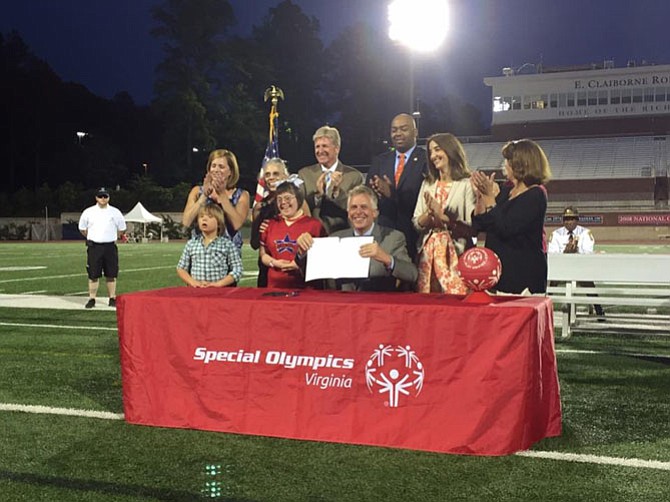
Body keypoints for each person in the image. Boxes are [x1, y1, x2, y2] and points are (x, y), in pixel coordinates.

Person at [298, 185, 418, 292]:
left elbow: (412, 274)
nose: (358, 212)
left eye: (364, 207)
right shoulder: (335, 238)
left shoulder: (393, 238)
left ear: (375, 213)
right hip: (340, 307)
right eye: (354, 207)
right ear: (348, 212)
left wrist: (387, 259)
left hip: (377, 308)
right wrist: (303, 252)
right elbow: (309, 273)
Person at [471, 139, 552, 294]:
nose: (505, 164)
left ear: (521, 163)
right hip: (498, 274)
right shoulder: (506, 191)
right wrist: (481, 198)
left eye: (508, 160)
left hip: (522, 276)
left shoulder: (535, 194)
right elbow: (480, 225)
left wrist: (490, 199)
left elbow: (506, 227)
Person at [412, 133, 476, 294]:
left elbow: (471, 226)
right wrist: (429, 215)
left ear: (450, 150)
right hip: (427, 254)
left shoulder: (466, 184)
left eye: (437, 150)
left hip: (456, 253)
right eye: (430, 152)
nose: (433, 156)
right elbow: (416, 222)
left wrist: (444, 218)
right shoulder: (427, 184)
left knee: (455, 303)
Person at [368, 113, 427, 261]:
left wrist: (392, 194)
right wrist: (376, 193)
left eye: (403, 129)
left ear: (416, 132)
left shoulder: (426, 160)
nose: (398, 134)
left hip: (413, 236)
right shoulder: (379, 161)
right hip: (383, 234)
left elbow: (423, 198)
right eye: (394, 130)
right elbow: (368, 194)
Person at [250, 158, 310, 287]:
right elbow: (254, 244)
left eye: (276, 174)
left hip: (296, 266)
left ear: (285, 175)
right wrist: (262, 232)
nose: (271, 178)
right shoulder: (260, 207)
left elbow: (310, 228)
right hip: (268, 269)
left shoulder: (299, 203)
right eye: (267, 174)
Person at [260, 179, 326, 289]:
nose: (283, 203)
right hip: (275, 287)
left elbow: (324, 257)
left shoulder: (314, 225)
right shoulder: (269, 224)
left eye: (288, 198)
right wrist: (274, 263)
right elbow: (263, 254)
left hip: (306, 288)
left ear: (298, 199)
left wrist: (300, 264)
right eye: (279, 199)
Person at [298, 125, 364, 234]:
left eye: (324, 146)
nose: (320, 151)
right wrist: (318, 196)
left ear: (337, 148)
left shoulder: (354, 176)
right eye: (317, 147)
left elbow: (357, 209)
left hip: (344, 233)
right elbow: (300, 208)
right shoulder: (305, 174)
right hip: (313, 236)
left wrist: (337, 194)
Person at [182, 149, 250, 253]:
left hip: (228, 256)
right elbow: (186, 221)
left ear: (230, 172)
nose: (216, 170)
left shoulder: (242, 195)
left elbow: (237, 224)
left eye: (221, 167)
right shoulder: (197, 191)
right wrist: (204, 196)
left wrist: (222, 195)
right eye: (213, 166)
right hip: (200, 256)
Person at [548, 206, 604, 316]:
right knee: (552, 284)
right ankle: (546, 309)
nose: (569, 222)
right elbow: (552, 253)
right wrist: (565, 252)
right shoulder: (556, 234)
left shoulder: (585, 233)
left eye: (572, 219)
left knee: (588, 284)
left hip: (579, 269)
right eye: (566, 219)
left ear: (577, 220)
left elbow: (588, 252)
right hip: (561, 269)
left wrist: (576, 250)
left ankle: (599, 311)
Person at [78, 187, 127, 308]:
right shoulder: (88, 212)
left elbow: (122, 228)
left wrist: (112, 236)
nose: (103, 199)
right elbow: (82, 228)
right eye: (100, 196)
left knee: (111, 274)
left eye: (105, 196)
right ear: (96, 198)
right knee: (93, 274)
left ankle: (112, 298)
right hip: (95, 246)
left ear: (109, 197)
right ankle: (92, 299)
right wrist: (92, 236)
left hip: (110, 246)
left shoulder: (115, 212)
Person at [176, 204, 243, 287]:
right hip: (196, 291)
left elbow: (238, 269)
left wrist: (218, 284)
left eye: (210, 217)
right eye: (201, 216)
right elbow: (181, 268)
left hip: (219, 292)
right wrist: (193, 282)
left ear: (219, 223)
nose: (204, 219)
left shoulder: (227, 245)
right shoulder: (191, 244)